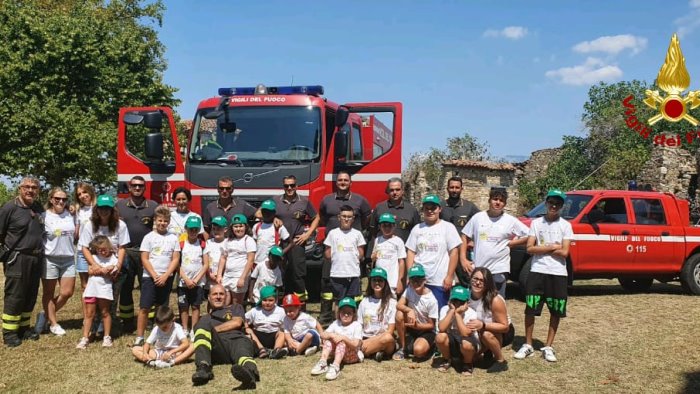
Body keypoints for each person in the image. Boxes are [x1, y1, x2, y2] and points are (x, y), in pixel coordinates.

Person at [514, 189, 573, 363]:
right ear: (546, 203)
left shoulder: (566, 226)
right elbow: (530, 248)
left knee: (555, 310)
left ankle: (548, 346)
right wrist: (552, 246)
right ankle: (528, 344)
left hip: (557, 273)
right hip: (537, 270)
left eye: (558, 204)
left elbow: (565, 253)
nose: (554, 206)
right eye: (551, 203)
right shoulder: (536, 223)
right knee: (531, 308)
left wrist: (545, 247)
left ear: (562, 206)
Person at [318, 171, 371, 325]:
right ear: (336, 182)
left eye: (345, 180)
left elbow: (367, 219)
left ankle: (355, 320)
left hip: (351, 255)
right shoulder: (327, 200)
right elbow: (321, 217)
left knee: (354, 291)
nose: (342, 182)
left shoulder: (360, 200)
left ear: (350, 183)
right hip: (333, 252)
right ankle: (327, 318)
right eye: (340, 180)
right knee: (328, 288)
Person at [0, 177, 45, 347]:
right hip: (17, 258)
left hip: (36, 258)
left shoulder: (38, 208)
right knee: (15, 295)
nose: (30, 190)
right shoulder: (9, 208)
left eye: (34, 187)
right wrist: (5, 255)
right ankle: (9, 333)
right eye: (27, 187)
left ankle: (24, 328)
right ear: (20, 188)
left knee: (30, 294)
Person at [77, 194, 130, 338]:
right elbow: (84, 247)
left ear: (112, 210)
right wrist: (94, 265)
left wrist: (118, 266)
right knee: (94, 297)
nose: (104, 211)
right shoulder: (90, 225)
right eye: (101, 208)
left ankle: (109, 330)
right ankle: (93, 330)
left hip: (114, 267)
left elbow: (122, 247)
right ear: (97, 209)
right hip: (96, 268)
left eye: (107, 208)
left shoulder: (120, 225)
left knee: (111, 299)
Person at [460, 188, 529, 295]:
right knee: (477, 302)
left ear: (505, 204)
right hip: (479, 268)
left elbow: (530, 235)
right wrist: (463, 259)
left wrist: (512, 243)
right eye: (495, 199)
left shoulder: (510, 220)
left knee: (495, 301)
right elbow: (464, 236)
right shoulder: (477, 218)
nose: (498, 202)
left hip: (499, 269)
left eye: (501, 201)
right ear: (489, 200)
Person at [191, 284, 260, 389]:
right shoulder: (205, 319)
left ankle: (249, 373)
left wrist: (212, 330)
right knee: (201, 325)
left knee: (242, 353)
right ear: (209, 298)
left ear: (226, 296)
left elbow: (236, 323)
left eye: (221, 294)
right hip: (218, 347)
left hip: (237, 339)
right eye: (215, 294)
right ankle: (203, 368)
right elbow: (198, 339)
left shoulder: (235, 307)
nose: (218, 296)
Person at [405, 194, 462, 309]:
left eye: (433, 208)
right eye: (427, 208)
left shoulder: (448, 227)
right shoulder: (417, 229)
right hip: (418, 278)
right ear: (423, 210)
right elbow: (411, 252)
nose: (430, 211)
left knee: (440, 311)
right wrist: (409, 275)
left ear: (439, 209)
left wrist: (450, 276)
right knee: (418, 310)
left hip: (439, 280)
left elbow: (454, 253)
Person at [116, 176, 157, 332]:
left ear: (144, 188)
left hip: (146, 253)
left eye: (141, 186)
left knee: (147, 287)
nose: (137, 188)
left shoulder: (153, 206)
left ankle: (149, 320)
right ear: (129, 187)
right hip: (126, 251)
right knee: (126, 287)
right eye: (134, 185)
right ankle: (126, 321)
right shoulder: (119, 206)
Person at [135, 205, 181, 346]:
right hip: (149, 277)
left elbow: (175, 259)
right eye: (160, 220)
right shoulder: (148, 237)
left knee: (162, 309)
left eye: (165, 221)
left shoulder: (173, 238)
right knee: (145, 307)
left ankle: (161, 336)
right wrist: (155, 275)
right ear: (155, 220)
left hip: (166, 278)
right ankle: (140, 336)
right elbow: (144, 258)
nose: (162, 223)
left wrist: (166, 275)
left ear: (169, 222)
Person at [272, 175, 320, 304]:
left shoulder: (304, 201)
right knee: (279, 273)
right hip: (280, 243)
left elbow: (316, 218)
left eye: (292, 185)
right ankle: (281, 305)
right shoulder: (275, 201)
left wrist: (307, 234)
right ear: (283, 187)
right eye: (286, 186)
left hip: (297, 243)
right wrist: (273, 218)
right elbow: (260, 213)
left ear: (296, 186)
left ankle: (301, 305)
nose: (289, 188)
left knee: (298, 275)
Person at [38, 187, 76, 336]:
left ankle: (45, 314)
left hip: (68, 259)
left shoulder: (71, 214)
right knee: (48, 293)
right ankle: (53, 323)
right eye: (57, 199)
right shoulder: (43, 216)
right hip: (50, 259)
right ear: (51, 199)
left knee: (67, 292)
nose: (61, 201)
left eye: (64, 199)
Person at [467, 267, 514, 373]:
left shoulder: (495, 299)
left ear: (487, 284)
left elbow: (504, 327)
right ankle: (487, 354)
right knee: (470, 357)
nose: (478, 283)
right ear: (470, 279)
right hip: (478, 330)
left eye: (482, 280)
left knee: (486, 334)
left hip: (501, 332)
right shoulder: (467, 296)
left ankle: (501, 361)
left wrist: (483, 325)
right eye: (475, 279)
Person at [77, 235, 119, 349]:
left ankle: (106, 336)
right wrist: (103, 269)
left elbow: (113, 271)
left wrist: (101, 270)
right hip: (91, 290)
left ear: (109, 247)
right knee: (89, 314)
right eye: (99, 250)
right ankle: (85, 337)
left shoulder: (114, 258)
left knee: (105, 312)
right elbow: (90, 271)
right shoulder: (93, 258)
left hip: (104, 290)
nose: (102, 252)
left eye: (104, 249)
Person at [310, 297, 363, 381]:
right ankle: (323, 363)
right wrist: (331, 335)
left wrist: (343, 338)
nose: (346, 315)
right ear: (339, 313)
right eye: (343, 312)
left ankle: (336, 367)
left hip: (352, 355)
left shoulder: (356, 325)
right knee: (328, 341)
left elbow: (356, 344)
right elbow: (323, 334)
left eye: (349, 313)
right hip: (338, 353)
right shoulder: (336, 323)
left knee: (341, 342)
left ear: (354, 314)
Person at [393, 265, 439, 361]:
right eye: (413, 280)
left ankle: (432, 347)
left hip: (426, 330)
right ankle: (403, 348)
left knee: (418, 351)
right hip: (413, 326)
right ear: (409, 281)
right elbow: (398, 305)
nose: (416, 283)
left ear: (424, 280)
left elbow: (431, 325)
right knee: (399, 314)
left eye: (419, 280)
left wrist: (417, 326)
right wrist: (410, 310)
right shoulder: (409, 289)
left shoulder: (431, 300)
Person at [324, 205, 366, 305]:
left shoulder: (357, 234)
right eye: (344, 216)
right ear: (339, 217)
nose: (346, 219)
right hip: (337, 274)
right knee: (338, 301)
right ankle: (338, 320)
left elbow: (361, 253)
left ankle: (353, 320)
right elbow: (327, 253)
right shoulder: (332, 233)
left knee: (352, 301)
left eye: (349, 217)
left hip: (353, 274)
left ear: (353, 219)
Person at [442, 176, 480, 286]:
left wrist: (473, 240)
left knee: (467, 281)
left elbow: (481, 223)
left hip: (462, 252)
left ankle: (469, 301)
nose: (454, 190)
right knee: (444, 280)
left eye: (457, 187)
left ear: (461, 189)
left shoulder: (469, 207)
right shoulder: (440, 206)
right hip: (444, 252)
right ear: (447, 189)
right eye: (452, 187)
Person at [435, 285, 480, 375]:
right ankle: (447, 360)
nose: (457, 304)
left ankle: (468, 364)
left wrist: (458, 315)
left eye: (461, 302)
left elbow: (465, 333)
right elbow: (442, 328)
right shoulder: (445, 309)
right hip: (453, 343)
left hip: (468, 345)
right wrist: (452, 312)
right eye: (454, 301)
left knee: (466, 343)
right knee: (440, 337)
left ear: (467, 303)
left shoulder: (472, 313)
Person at [357, 267, 397, 362]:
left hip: (383, 337)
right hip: (366, 337)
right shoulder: (364, 301)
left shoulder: (392, 302)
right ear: (370, 282)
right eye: (374, 280)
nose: (377, 283)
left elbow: (390, 330)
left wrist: (372, 341)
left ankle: (369, 350)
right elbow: (359, 325)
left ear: (385, 282)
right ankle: (376, 351)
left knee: (388, 338)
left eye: (380, 280)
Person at [178, 216, 208, 337]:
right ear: (186, 228)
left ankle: (193, 330)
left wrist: (196, 280)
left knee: (196, 306)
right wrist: (185, 279)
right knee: (184, 307)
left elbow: (206, 264)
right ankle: (185, 329)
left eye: (196, 229)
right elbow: (177, 264)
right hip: (183, 283)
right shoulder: (180, 244)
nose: (193, 232)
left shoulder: (202, 244)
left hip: (198, 283)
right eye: (191, 229)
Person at [218, 214, 256, 305]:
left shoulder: (249, 240)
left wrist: (242, 278)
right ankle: (226, 319)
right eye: (235, 226)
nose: (238, 229)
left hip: (239, 275)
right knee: (225, 301)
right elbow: (223, 258)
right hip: (227, 275)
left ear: (246, 227)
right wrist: (219, 275)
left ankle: (237, 319)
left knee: (236, 303)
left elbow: (250, 260)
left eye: (241, 226)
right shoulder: (228, 240)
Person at [369, 177, 420, 243]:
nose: (394, 192)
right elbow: (373, 231)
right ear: (387, 191)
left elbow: (417, 233)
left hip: (403, 251)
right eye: (391, 190)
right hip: (383, 251)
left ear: (402, 191)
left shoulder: (411, 210)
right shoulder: (379, 208)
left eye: (397, 189)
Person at [72, 182, 96, 322]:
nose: (82, 196)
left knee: (98, 283)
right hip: (82, 250)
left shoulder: (99, 208)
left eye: (84, 192)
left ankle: (98, 315)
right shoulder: (78, 211)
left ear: (90, 192)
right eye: (79, 194)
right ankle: (86, 316)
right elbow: (76, 230)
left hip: (97, 251)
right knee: (84, 285)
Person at [245, 286, 288, 359]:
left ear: (275, 300)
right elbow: (244, 319)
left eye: (270, 300)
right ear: (261, 300)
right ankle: (261, 349)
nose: (267, 303)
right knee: (249, 331)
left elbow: (285, 325)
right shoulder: (255, 310)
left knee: (282, 333)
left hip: (274, 336)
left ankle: (276, 350)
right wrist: (246, 327)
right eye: (264, 300)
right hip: (258, 336)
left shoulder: (281, 311)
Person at [370, 212, 406, 295]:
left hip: (392, 280)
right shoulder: (377, 240)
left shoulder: (398, 241)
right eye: (384, 225)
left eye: (389, 225)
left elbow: (401, 262)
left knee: (391, 304)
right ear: (380, 227)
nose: (387, 228)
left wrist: (400, 281)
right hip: (379, 280)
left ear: (394, 226)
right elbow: (373, 259)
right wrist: (373, 258)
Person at [252, 199, 291, 268]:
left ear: (274, 213)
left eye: (269, 212)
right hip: (258, 262)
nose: (266, 214)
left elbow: (291, 242)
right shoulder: (256, 226)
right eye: (264, 211)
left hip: (272, 263)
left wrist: (281, 253)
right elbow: (254, 244)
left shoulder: (279, 227)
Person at [203, 216, 227, 291]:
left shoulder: (228, 242)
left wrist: (220, 274)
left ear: (225, 229)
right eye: (214, 229)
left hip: (223, 276)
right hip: (210, 276)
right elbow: (205, 260)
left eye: (219, 229)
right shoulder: (208, 242)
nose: (216, 231)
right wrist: (209, 274)